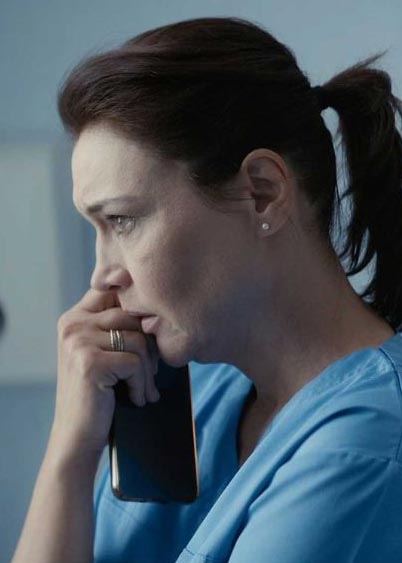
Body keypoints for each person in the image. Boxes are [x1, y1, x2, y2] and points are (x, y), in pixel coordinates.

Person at [11, 15, 402, 563]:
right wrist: (69, 453)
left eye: (122, 220)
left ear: (262, 192)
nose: (102, 276)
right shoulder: (202, 393)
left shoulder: (366, 444)